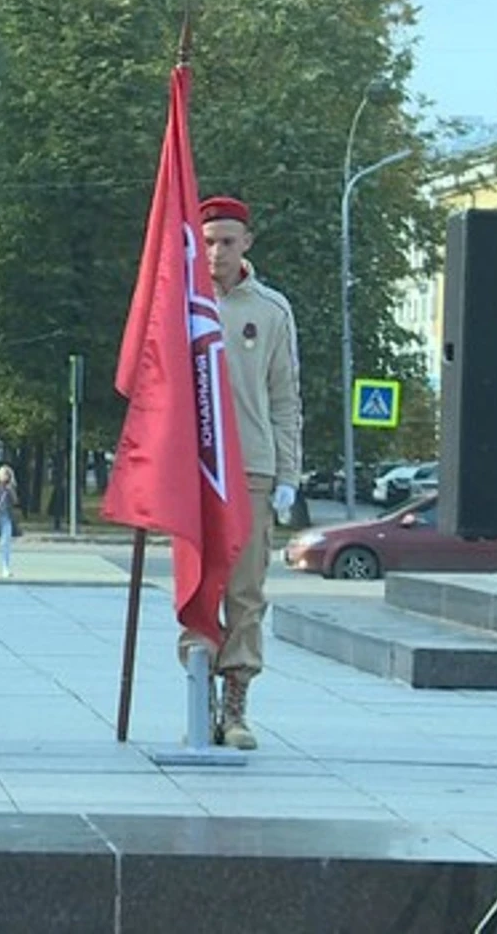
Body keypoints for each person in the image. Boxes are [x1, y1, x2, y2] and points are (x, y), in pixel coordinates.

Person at [179, 194, 302, 751]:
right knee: (199, 587)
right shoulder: (181, 306)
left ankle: (236, 705)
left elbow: (284, 399)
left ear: (247, 243)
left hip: (251, 466)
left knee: (246, 593)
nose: (217, 252)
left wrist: (287, 475)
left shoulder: (271, 311)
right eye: (208, 241)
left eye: (228, 241)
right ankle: (198, 695)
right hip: (194, 470)